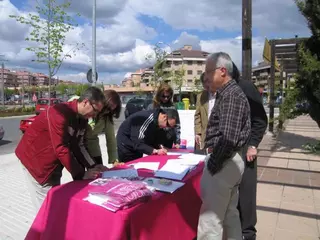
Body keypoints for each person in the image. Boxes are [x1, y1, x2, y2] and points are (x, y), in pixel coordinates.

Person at [15, 87, 106, 211]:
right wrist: (81, 174)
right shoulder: (59, 113)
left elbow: (79, 145)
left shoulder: (82, 120)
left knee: (55, 203)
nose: (93, 116)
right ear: (85, 102)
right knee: (47, 210)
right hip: (36, 163)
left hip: (53, 164)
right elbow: (61, 147)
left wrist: (93, 166)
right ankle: (43, 230)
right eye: (95, 110)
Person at [197, 52, 251, 240]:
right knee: (229, 216)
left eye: (208, 72)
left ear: (222, 71)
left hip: (223, 163)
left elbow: (228, 137)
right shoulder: (228, 94)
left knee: (210, 221)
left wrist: (213, 164)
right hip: (229, 162)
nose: (206, 77)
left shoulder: (231, 96)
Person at [232, 62, 268, 240]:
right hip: (227, 150)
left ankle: (248, 233)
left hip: (246, 148)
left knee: (246, 194)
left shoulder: (246, 88)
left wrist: (253, 144)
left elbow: (260, 120)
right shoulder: (222, 90)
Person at [68, 90, 122, 165]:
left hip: (93, 146)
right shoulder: (86, 105)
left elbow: (111, 139)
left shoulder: (107, 117)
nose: (107, 112)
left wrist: (114, 160)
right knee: (80, 172)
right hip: (76, 146)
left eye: (111, 110)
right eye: (107, 108)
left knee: (98, 170)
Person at [148, 83, 181, 149]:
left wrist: (177, 142)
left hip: (169, 140)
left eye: (168, 97)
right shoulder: (152, 106)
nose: (166, 99)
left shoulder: (173, 107)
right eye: (163, 96)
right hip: (155, 140)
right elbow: (148, 125)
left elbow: (177, 125)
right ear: (159, 94)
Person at [194, 72, 216, 151]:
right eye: (204, 82)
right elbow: (197, 115)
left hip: (218, 136)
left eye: (208, 81)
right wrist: (198, 132)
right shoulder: (200, 96)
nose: (206, 85)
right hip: (205, 136)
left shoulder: (222, 94)